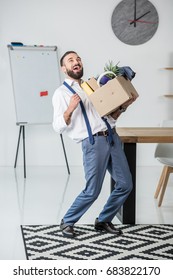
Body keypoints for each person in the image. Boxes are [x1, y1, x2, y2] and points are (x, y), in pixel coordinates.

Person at [52, 51, 137, 238]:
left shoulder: (92, 86)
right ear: (63, 68)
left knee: (125, 184)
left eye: (78, 59)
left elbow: (109, 117)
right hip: (93, 142)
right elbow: (58, 126)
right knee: (93, 190)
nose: (76, 62)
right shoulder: (62, 93)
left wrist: (124, 106)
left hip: (112, 136)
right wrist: (70, 109)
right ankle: (67, 221)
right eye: (71, 60)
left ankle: (104, 220)